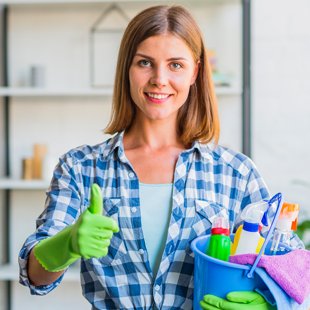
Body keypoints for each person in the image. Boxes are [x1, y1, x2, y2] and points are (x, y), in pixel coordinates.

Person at [19, 5, 273, 310]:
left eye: (175, 65)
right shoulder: (80, 168)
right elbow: (35, 276)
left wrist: (269, 299)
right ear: (127, 68)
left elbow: (286, 262)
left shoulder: (236, 173)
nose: (159, 79)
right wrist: (67, 244)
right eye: (145, 63)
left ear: (195, 71)